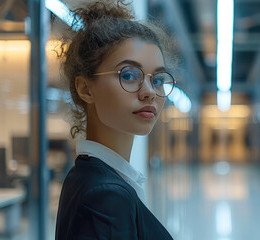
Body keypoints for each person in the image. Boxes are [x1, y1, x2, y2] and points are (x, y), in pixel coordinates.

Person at [54, 1, 177, 239]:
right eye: (129, 75)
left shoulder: (87, 176)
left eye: (158, 80)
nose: (149, 91)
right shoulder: (106, 194)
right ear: (86, 89)